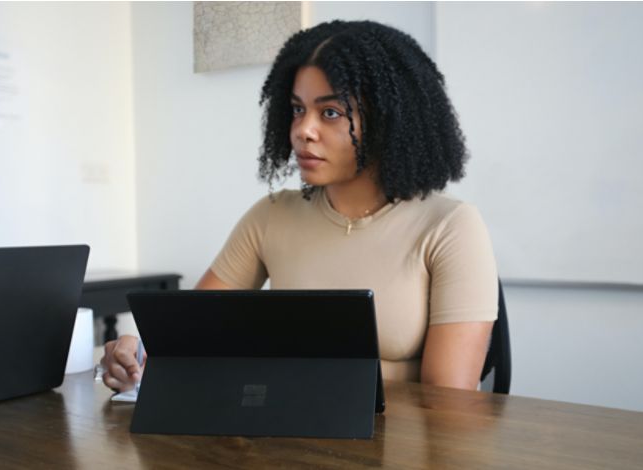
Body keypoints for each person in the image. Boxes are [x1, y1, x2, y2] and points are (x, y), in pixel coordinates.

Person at [101, 20, 498, 393]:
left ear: (388, 121)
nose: (303, 130)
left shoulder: (451, 226)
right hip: (288, 441)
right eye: (296, 109)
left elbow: (447, 403)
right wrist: (135, 349)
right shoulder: (272, 215)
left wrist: (283, 369)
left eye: (330, 112)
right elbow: (185, 339)